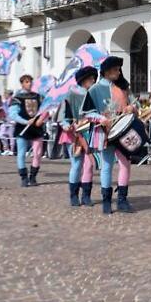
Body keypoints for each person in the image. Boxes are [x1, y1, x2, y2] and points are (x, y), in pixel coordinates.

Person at [82, 56, 136, 214]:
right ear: (106, 71)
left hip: (123, 130)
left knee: (125, 164)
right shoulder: (95, 89)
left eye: (119, 69)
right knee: (107, 165)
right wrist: (101, 118)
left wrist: (132, 107)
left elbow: (134, 103)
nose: (118, 72)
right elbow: (86, 112)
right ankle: (106, 201)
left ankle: (122, 200)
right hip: (104, 132)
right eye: (115, 69)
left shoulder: (124, 87)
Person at [60, 66, 98, 207]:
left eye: (94, 78)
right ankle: (73, 195)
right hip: (75, 135)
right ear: (83, 80)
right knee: (76, 165)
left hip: (90, 135)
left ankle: (86, 196)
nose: (93, 80)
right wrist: (66, 125)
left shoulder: (94, 95)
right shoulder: (71, 94)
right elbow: (64, 115)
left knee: (89, 166)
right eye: (90, 78)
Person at [9, 74, 45, 188]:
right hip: (22, 129)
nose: (29, 84)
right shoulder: (17, 98)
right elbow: (13, 114)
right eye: (26, 82)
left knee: (38, 153)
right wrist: (25, 122)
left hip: (36, 128)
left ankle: (33, 176)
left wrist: (42, 119)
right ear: (22, 83)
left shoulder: (38, 96)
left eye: (30, 81)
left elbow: (46, 109)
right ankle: (24, 177)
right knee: (21, 153)